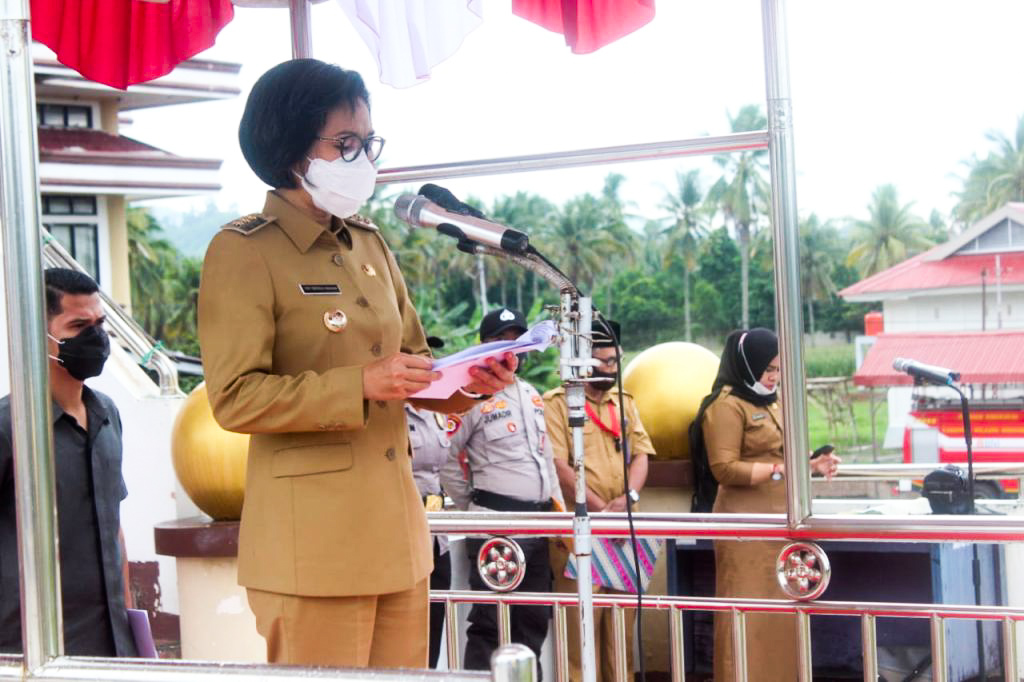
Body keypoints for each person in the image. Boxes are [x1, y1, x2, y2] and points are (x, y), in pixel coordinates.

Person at [197, 58, 516, 669]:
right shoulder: (243, 252)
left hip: (398, 539)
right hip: (312, 549)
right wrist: (359, 384)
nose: (361, 158)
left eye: (366, 143)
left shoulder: (368, 242)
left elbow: (415, 366)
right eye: (344, 143)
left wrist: (470, 384)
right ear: (290, 148)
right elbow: (234, 397)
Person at [0, 268, 137, 657]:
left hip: (112, 646)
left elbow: (114, 529)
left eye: (100, 323)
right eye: (78, 325)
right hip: (32, 651)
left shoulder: (107, 414)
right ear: (35, 333)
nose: (96, 337)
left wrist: (128, 624)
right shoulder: (10, 428)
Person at [696, 328, 840, 682]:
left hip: (783, 525)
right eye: (769, 369)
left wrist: (813, 462)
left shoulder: (770, 401)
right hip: (746, 529)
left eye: (779, 369)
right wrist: (781, 470)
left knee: (783, 612)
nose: (775, 376)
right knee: (746, 616)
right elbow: (724, 469)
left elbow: (781, 453)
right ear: (747, 365)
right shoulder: (726, 406)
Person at [440, 307, 563, 674]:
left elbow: (546, 460)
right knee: (492, 625)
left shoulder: (531, 395)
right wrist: (473, 506)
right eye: (501, 343)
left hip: (539, 527)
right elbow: (445, 455)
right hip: (498, 528)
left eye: (518, 342)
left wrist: (559, 520)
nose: (511, 351)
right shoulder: (470, 399)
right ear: (483, 349)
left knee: (533, 621)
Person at [543, 319, 654, 682]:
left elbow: (641, 454)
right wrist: (599, 509)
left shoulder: (624, 402)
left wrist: (630, 497)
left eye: (616, 360)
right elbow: (560, 466)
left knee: (620, 630)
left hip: (622, 530)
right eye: (604, 361)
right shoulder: (558, 404)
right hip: (582, 530)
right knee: (580, 632)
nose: (612, 368)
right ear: (582, 361)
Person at [405, 336, 454, 668]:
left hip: (438, 536)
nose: (426, 363)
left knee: (435, 626)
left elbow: (448, 469)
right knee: (406, 636)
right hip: (404, 529)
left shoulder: (437, 409)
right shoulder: (388, 412)